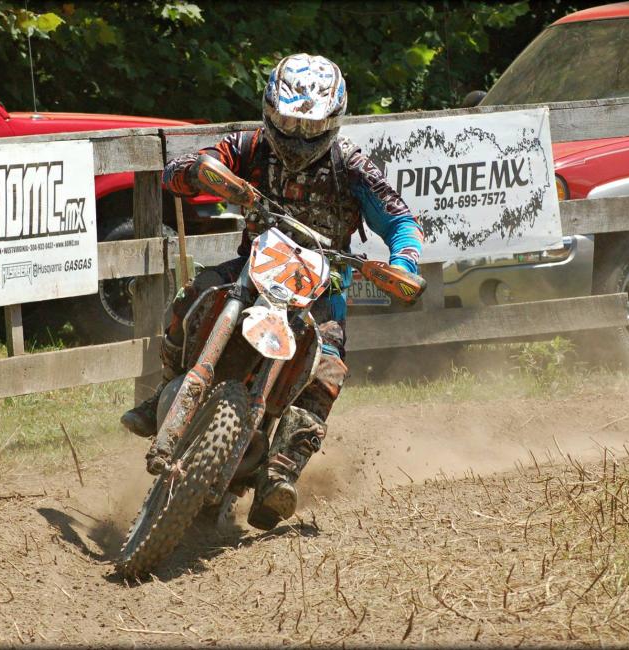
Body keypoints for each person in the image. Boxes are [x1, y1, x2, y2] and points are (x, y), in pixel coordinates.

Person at [121, 53, 423, 530]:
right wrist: (197, 171)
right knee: (192, 295)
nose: (298, 136)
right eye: (287, 122)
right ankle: (163, 389)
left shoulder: (352, 167)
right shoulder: (249, 145)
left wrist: (403, 261)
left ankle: (281, 471)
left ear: (333, 121)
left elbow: (400, 219)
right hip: (253, 265)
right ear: (268, 110)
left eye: (310, 127)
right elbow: (184, 168)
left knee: (328, 367)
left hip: (320, 284)